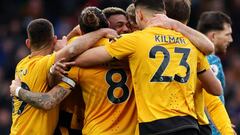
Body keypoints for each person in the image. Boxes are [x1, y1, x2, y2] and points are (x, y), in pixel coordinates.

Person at [71, 0, 222, 134]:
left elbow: (81, 59)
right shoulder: (190, 42)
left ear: (140, 15)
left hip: (155, 125)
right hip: (188, 125)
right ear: (164, 14)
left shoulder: (135, 40)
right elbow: (217, 89)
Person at [10, 7, 137, 135]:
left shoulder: (71, 62)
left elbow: (69, 52)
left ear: (28, 43)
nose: (126, 29)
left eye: (128, 25)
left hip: (93, 129)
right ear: (109, 28)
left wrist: (17, 90)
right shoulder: (134, 53)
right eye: (119, 25)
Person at [197, 11, 234, 135]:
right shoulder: (211, 62)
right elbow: (211, 101)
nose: (231, 39)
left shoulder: (193, 58)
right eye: (227, 34)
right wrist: (220, 129)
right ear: (213, 36)